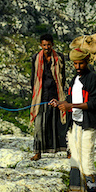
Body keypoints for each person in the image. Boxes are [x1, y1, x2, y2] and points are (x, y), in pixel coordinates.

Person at [51, 48, 96, 192]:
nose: (78, 66)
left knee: (87, 160)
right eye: (75, 63)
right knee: (76, 159)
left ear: (86, 62)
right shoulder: (75, 80)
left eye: (80, 63)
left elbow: (94, 103)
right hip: (75, 124)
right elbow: (71, 99)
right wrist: (60, 103)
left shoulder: (93, 78)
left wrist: (70, 105)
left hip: (88, 125)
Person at [29, 33, 68, 161]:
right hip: (41, 96)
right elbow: (33, 77)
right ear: (41, 45)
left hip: (56, 94)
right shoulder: (36, 58)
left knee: (60, 123)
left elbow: (62, 76)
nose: (46, 47)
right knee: (40, 124)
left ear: (52, 45)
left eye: (49, 45)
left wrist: (60, 96)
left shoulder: (59, 58)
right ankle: (38, 152)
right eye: (44, 45)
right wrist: (35, 94)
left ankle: (67, 150)